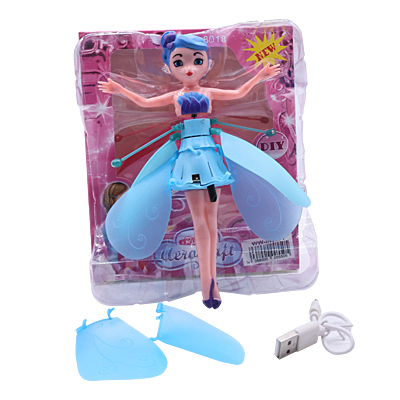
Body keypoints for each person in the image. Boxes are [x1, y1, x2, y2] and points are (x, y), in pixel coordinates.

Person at [99, 31, 314, 315]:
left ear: (207, 64)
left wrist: (259, 76)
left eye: (196, 60)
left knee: (210, 223)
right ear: (169, 66)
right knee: (201, 221)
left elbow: (238, 93)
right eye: (179, 62)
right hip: (189, 160)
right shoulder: (175, 95)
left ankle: (211, 285)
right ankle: (206, 286)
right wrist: (120, 90)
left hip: (209, 158)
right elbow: (145, 103)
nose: (189, 68)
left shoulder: (207, 93)